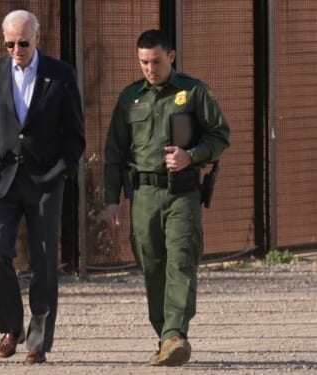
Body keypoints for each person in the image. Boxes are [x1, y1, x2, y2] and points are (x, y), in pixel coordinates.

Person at [102, 29, 230, 366]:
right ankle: (165, 336)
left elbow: (220, 136)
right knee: (152, 265)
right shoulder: (130, 98)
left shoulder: (193, 92)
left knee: (181, 260)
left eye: (156, 61)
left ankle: (175, 334)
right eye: (143, 62)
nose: (149, 68)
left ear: (170, 56)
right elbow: (114, 151)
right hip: (143, 195)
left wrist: (193, 155)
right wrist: (111, 199)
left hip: (182, 192)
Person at [0, 9, 85, 365]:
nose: (16, 49)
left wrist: (62, 170)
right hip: (2, 178)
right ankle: (11, 327)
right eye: (9, 43)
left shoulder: (60, 75)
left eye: (22, 42)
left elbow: (74, 132)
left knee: (45, 260)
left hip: (45, 181)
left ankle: (38, 341)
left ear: (37, 38)